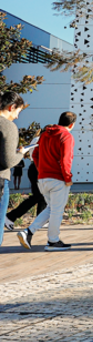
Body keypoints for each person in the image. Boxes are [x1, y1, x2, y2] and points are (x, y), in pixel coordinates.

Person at [18, 111, 78, 251]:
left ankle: (28, 232)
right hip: (58, 179)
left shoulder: (44, 134)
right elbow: (66, 159)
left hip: (43, 178)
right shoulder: (66, 136)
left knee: (51, 209)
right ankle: (53, 241)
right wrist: (68, 178)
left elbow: (35, 154)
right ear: (72, 124)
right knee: (57, 211)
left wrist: (41, 170)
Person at [0, 92, 26, 247]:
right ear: (12, 107)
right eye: (18, 111)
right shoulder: (8, 127)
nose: (17, 116)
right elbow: (8, 161)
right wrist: (21, 154)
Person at [6, 159, 46, 230]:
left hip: (38, 168)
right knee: (38, 196)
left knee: (42, 196)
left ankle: (41, 220)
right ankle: (10, 216)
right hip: (37, 169)